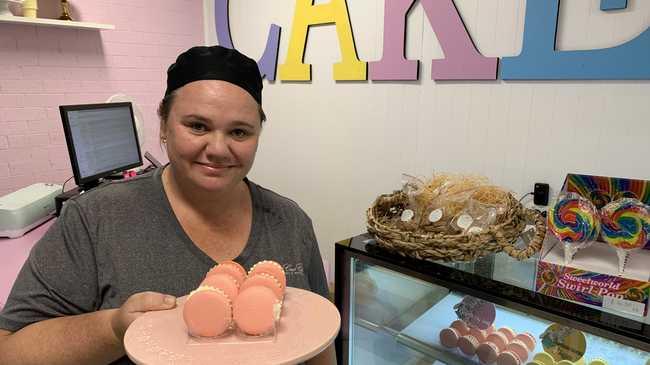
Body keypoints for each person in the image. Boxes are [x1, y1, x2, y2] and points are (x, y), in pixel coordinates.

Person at [0, 46, 336, 365]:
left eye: (239, 132)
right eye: (197, 126)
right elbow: (10, 351)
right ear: (163, 125)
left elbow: (320, 341)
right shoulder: (95, 219)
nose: (218, 148)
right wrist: (113, 328)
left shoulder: (290, 222)